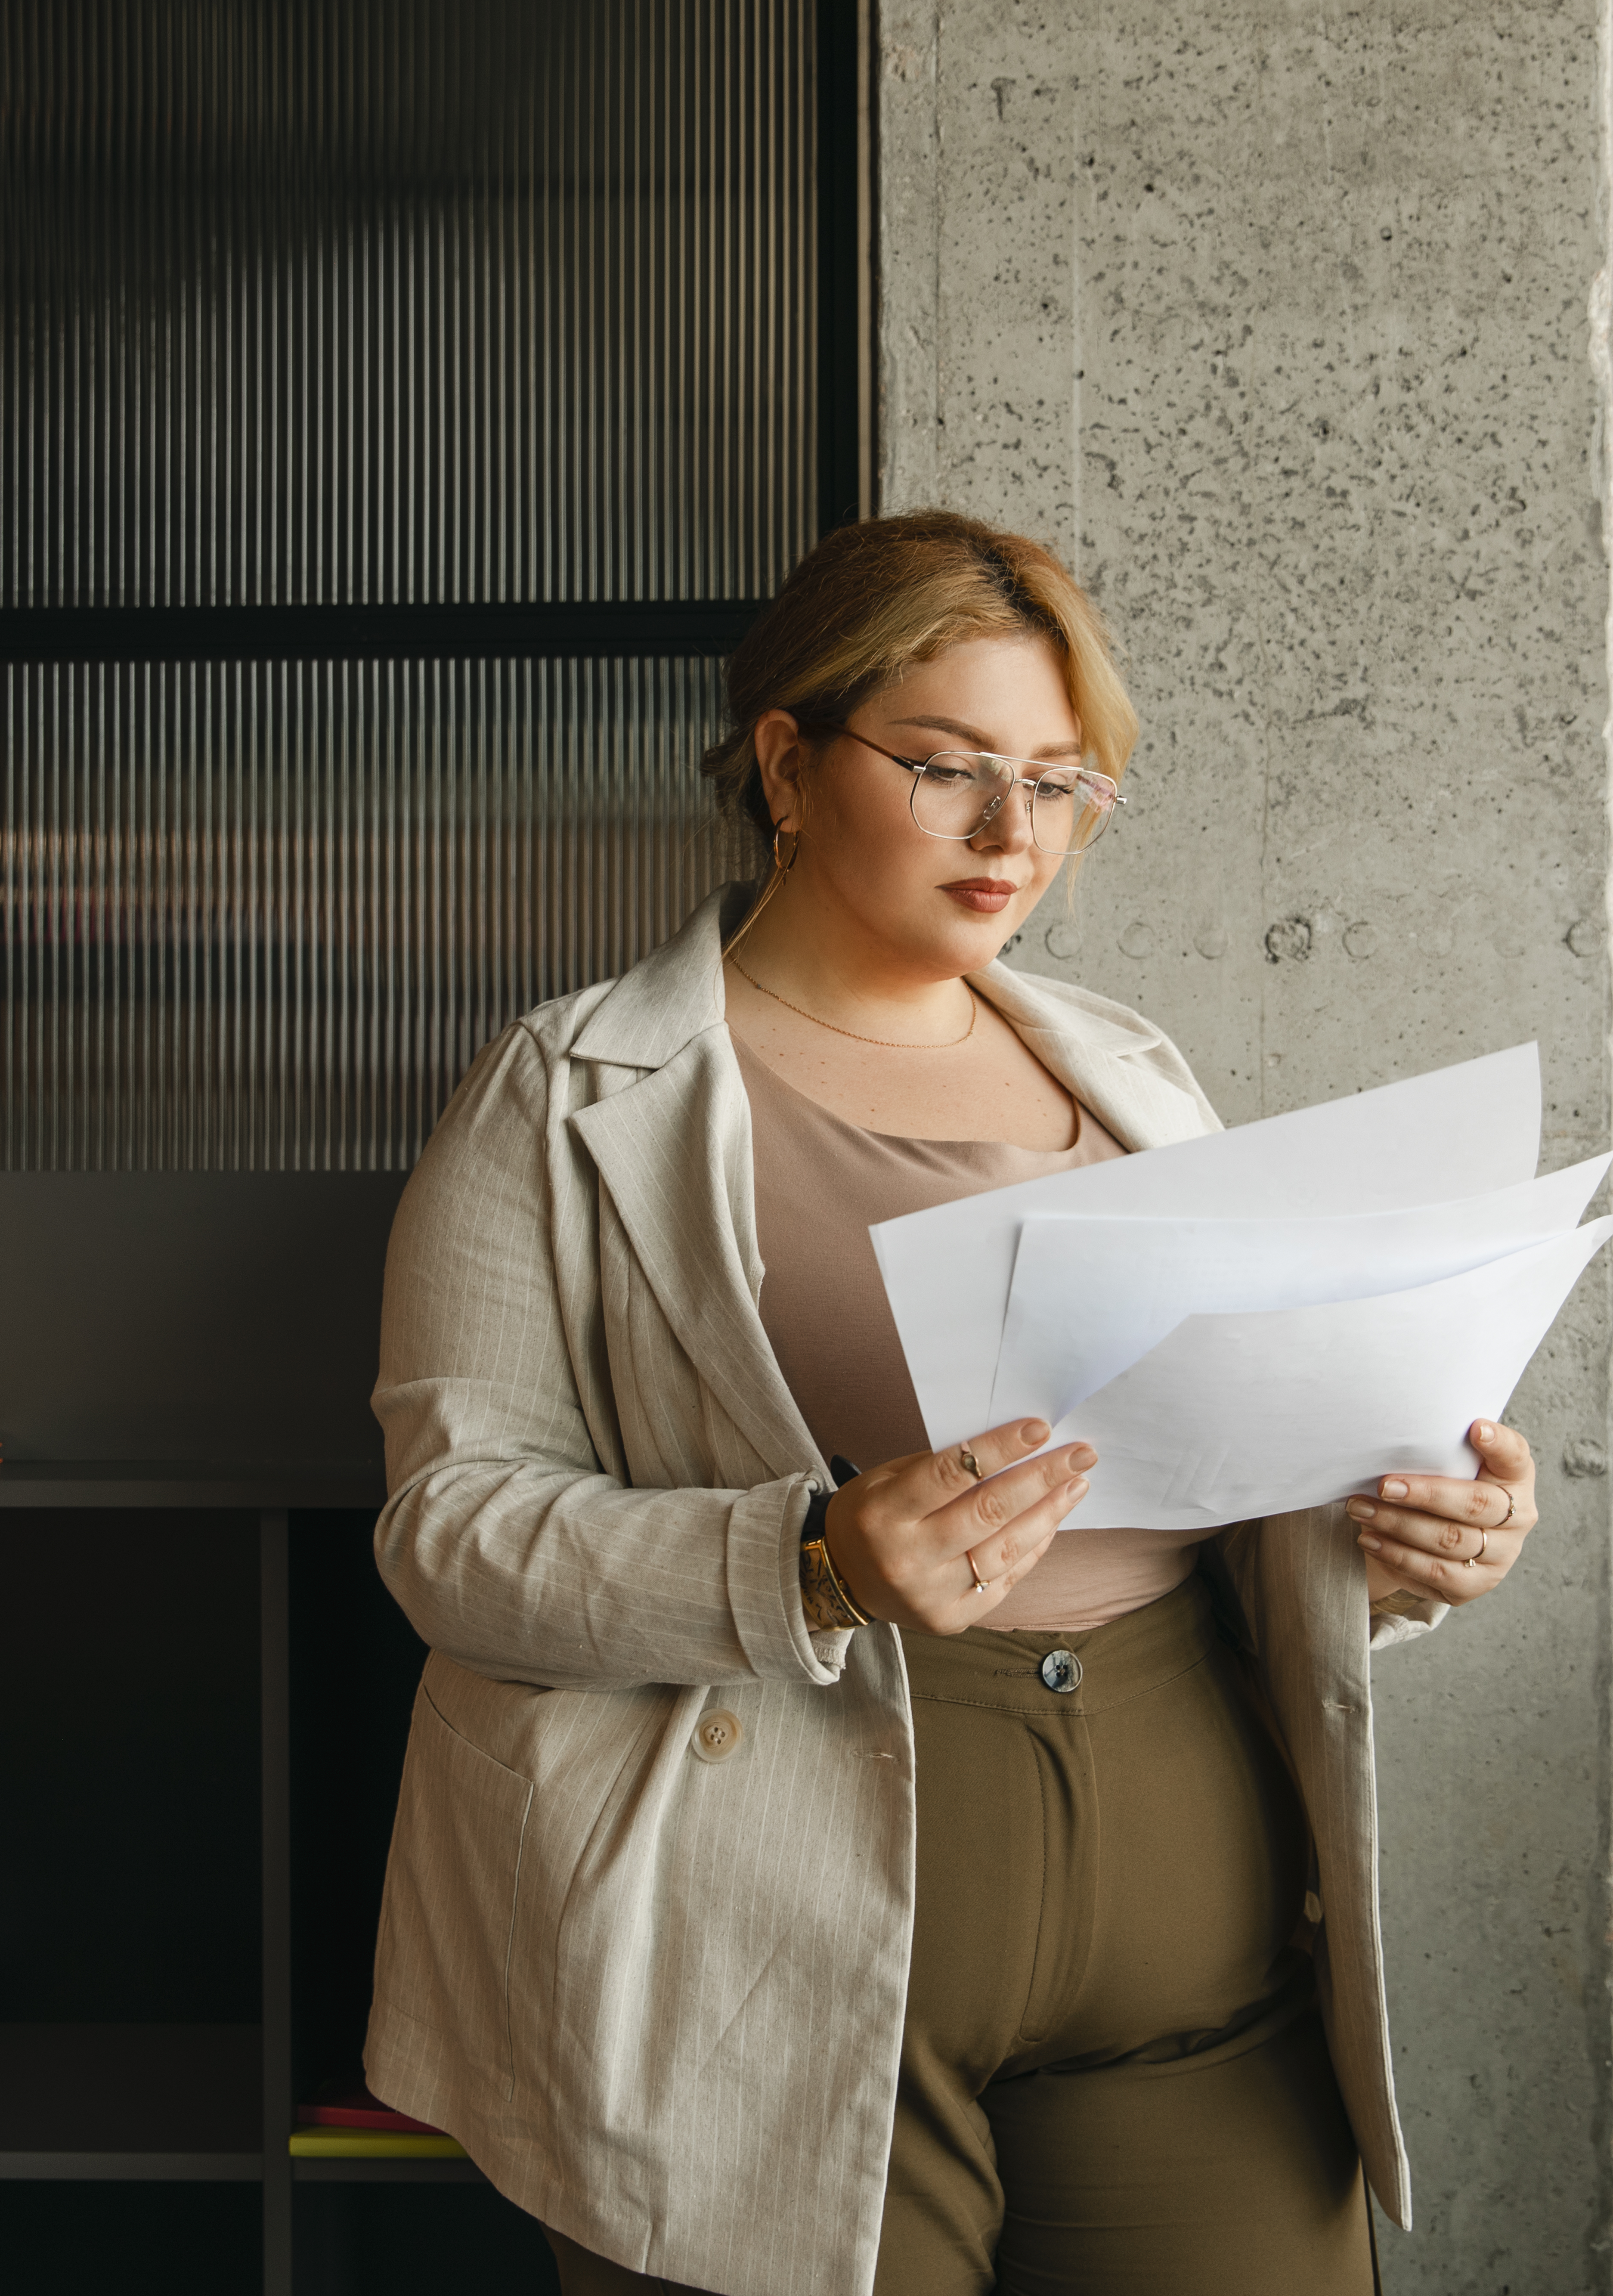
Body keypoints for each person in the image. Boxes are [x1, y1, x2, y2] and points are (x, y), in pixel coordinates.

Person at [365, 510, 1538, 2296]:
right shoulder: (569, 1086)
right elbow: (451, 1534)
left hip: (1198, 1913)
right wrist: (815, 1558)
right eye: (950, 772)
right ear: (786, 757)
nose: (1014, 837)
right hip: (762, 1933)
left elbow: (1210, 1473)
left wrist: (1395, 1542)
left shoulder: (1128, 1063)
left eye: (1063, 785)